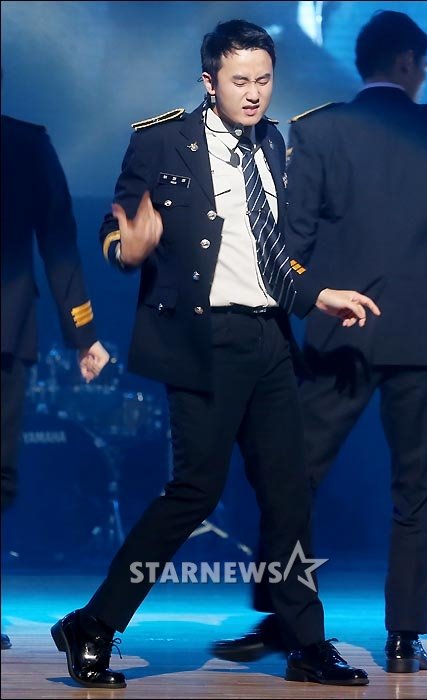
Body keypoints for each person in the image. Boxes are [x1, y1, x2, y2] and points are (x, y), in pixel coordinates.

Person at [50, 19, 380, 689]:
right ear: (209, 82)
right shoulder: (160, 140)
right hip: (201, 343)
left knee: (288, 492)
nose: (254, 94)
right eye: (239, 81)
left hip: (269, 340)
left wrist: (316, 294)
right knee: (193, 492)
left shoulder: (275, 144)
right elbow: (115, 230)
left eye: (263, 80)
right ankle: (95, 623)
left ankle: (305, 640)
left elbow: (272, 255)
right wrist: (127, 248)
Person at [212, 10, 427, 674]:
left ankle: (284, 617)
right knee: (414, 491)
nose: (424, 73)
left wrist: (307, 307)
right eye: (424, 63)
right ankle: (403, 639)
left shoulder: (317, 131)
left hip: (334, 334)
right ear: (406, 63)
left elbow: (290, 246)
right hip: (419, 339)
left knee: (293, 480)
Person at [1, 113, 110, 649]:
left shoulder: (24, 144)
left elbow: (58, 237)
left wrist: (83, 332)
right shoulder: (26, 143)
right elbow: (59, 239)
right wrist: (82, 334)